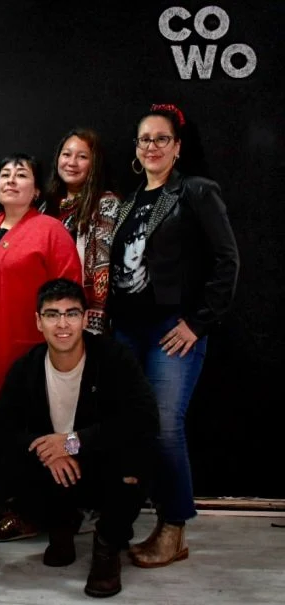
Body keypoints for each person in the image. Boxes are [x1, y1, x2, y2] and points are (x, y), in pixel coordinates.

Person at [110, 104, 239, 568]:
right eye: (145, 139)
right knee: (130, 430)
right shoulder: (126, 202)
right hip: (126, 331)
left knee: (165, 427)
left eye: (161, 139)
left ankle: (174, 526)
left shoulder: (196, 192)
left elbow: (228, 261)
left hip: (172, 330)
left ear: (177, 146)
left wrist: (199, 322)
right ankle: (122, 522)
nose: (152, 147)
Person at [0, 279, 158, 598]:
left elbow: (143, 418)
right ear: (38, 321)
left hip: (100, 463)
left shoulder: (113, 358)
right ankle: (60, 527)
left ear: (85, 319)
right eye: (52, 314)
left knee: (137, 461)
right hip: (52, 470)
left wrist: (72, 442)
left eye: (71, 313)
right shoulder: (26, 368)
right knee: (9, 462)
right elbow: (3, 428)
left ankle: (107, 547)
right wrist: (48, 451)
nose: (63, 323)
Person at [0, 153, 81, 523]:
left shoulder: (50, 230)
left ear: (37, 189)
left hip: (25, 350)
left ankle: (32, 511)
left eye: (21, 174)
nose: (11, 180)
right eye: (5, 175)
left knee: (25, 428)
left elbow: (69, 291)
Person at [45, 128, 120, 334]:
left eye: (82, 157)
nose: (72, 162)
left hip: (83, 312)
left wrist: (95, 315)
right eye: (66, 154)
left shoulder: (106, 203)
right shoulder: (46, 207)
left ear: (94, 164)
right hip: (46, 308)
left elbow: (103, 264)